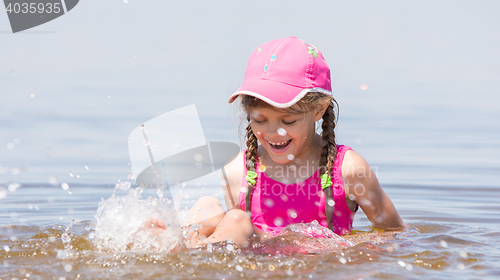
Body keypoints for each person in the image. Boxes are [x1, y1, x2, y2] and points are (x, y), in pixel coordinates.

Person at [145, 36, 405, 248]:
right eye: (259, 120)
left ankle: (184, 249)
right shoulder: (239, 171)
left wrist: (341, 246)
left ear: (319, 109)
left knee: (235, 219)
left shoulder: (347, 170)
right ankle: (178, 244)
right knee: (208, 207)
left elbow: (394, 234)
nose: (273, 133)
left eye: (288, 121)